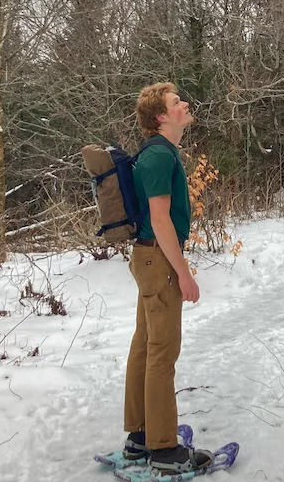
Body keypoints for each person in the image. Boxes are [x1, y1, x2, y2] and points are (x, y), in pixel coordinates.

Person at [122, 83, 213, 476]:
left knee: (145, 346)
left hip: (149, 259)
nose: (185, 105)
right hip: (158, 260)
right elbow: (160, 220)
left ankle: (140, 437)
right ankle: (163, 449)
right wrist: (183, 272)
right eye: (177, 103)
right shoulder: (159, 156)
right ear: (161, 116)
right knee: (162, 352)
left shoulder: (159, 153)